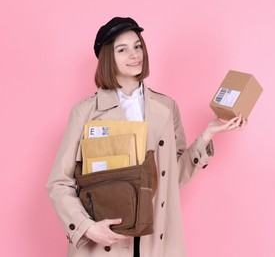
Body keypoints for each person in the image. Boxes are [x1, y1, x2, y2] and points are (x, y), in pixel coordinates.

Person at [47, 17, 247, 257]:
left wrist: (207, 135)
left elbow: (171, 177)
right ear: (108, 58)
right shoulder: (85, 112)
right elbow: (59, 182)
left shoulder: (166, 107)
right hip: (104, 243)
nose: (134, 55)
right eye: (123, 49)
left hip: (157, 243)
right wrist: (87, 228)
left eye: (138, 46)